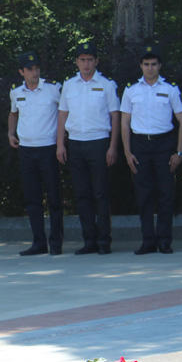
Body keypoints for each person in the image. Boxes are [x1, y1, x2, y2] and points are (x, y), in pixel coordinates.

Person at [120, 44, 182, 254]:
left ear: (160, 65)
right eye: (146, 64)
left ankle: (165, 240)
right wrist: (127, 152)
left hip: (164, 145)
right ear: (140, 65)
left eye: (154, 64)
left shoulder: (170, 89)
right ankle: (148, 240)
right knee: (144, 195)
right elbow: (124, 122)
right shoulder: (131, 89)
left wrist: (179, 152)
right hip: (140, 145)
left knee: (166, 194)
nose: (150, 68)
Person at [57, 41, 120, 254]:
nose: (86, 64)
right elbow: (62, 114)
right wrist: (60, 144)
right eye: (82, 60)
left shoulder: (107, 84)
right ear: (76, 62)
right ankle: (89, 240)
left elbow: (115, 115)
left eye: (90, 59)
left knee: (101, 193)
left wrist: (113, 146)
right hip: (75, 143)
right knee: (82, 194)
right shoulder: (69, 85)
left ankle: (104, 241)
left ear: (96, 61)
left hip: (99, 142)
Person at [7, 51, 64, 255]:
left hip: (48, 148)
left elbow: (63, 114)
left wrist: (61, 143)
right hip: (26, 150)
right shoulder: (16, 92)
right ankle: (38, 242)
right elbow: (13, 113)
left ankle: (56, 243)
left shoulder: (53, 89)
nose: (34, 72)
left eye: (37, 68)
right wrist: (10, 133)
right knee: (32, 199)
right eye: (30, 69)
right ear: (21, 72)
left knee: (54, 198)